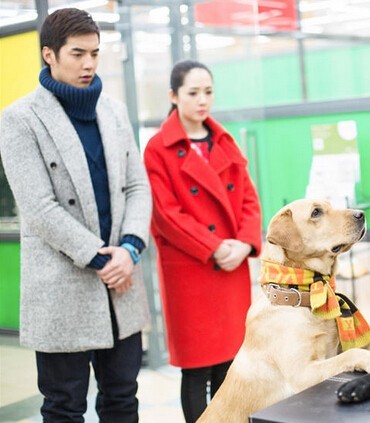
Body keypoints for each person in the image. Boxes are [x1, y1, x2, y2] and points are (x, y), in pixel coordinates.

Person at [0, 8, 152, 423]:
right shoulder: (19, 119)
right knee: (65, 407)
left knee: (123, 399)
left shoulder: (114, 111)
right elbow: (39, 208)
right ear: (49, 54)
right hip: (62, 288)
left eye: (95, 54)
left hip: (120, 284)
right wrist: (103, 259)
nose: (88, 64)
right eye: (77, 54)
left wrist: (130, 249)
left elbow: (138, 187)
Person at [143, 60, 262, 423]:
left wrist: (243, 243)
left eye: (208, 92)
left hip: (231, 267)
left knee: (230, 364)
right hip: (191, 269)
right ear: (173, 96)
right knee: (196, 369)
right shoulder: (158, 149)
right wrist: (214, 247)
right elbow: (165, 214)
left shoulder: (224, 140)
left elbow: (248, 200)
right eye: (193, 93)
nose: (202, 100)